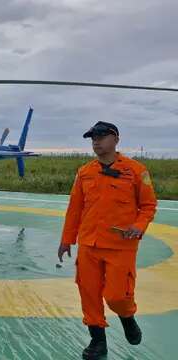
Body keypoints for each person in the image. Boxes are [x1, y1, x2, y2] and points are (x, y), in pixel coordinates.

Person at [57, 121, 157, 359]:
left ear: (115, 139)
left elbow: (148, 205)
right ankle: (97, 342)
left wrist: (138, 226)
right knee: (88, 293)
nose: (96, 140)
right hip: (89, 244)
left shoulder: (136, 170)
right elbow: (75, 208)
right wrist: (66, 240)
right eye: (92, 137)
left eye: (101, 135)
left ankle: (127, 317)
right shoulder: (85, 172)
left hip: (120, 245)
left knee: (116, 295)